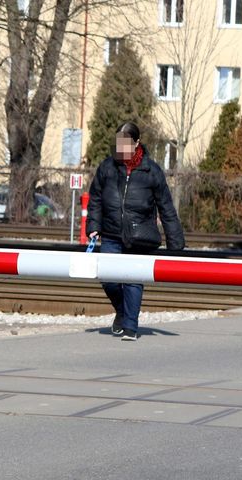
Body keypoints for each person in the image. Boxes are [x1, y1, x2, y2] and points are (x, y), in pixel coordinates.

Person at [86, 122, 184, 341]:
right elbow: (96, 199)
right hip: (111, 234)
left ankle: (130, 326)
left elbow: (166, 207)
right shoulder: (107, 168)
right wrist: (93, 226)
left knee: (132, 280)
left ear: (137, 143)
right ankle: (122, 312)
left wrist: (175, 243)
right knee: (108, 278)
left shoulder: (152, 171)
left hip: (141, 235)